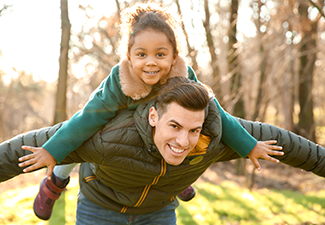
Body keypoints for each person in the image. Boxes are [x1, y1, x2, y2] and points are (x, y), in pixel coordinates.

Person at [14, 1, 275, 221]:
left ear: (174, 57)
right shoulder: (118, 83)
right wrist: (51, 151)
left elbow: (219, 116)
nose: (151, 62)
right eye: (141, 54)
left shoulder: (185, 77)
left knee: (188, 128)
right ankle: (55, 183)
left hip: (159, 148)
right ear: (128, 56)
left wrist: (249, 146)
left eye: (160, 54)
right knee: (83, 135)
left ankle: (179, 179)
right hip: (110, 152)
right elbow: (85, 121)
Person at [1, 77, 324, 224]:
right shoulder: (109, 134)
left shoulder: (215, 135)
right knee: (65, 154)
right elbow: (17, 152)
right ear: (154, 117)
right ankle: (54, 184)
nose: (185, 140)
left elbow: (293, 147)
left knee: (179, 156)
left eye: (193, 129)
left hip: (157, 211)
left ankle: (177, 178)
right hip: (100, 207)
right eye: (174, 127)